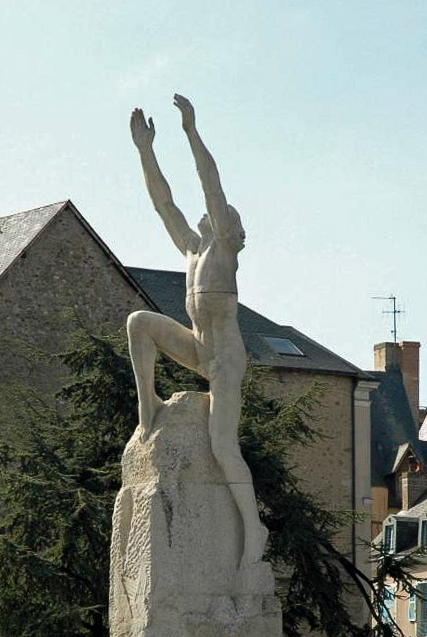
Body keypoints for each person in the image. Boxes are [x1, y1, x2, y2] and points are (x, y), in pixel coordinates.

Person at [128, 94, 268, 569]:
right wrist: (146, 150)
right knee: (138, 323)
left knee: (223, 444)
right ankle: (148, 406)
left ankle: (253, 528)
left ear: (230, 227)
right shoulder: (192, 249)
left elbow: (210, 183)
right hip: (198, 347)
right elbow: (163, 203)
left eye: (222, 212)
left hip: (225, 357)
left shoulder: (224, 247)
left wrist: (190, 130)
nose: (211, 211)